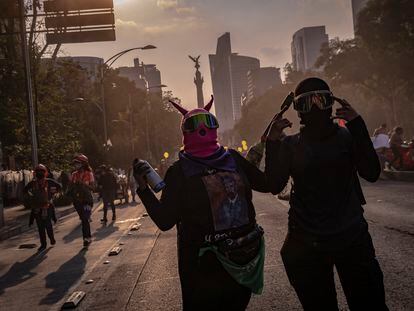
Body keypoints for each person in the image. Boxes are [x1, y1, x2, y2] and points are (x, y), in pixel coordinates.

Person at [133, 96, 269, 310]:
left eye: (209, 120)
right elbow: (267, 183)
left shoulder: (182, 170)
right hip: (233, 263)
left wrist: (143, 189)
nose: (203, 128)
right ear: (185, 131)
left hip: (216, 267)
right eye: (194, 123)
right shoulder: (227, 159)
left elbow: (165, 220)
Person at [265, 77, 388, 311]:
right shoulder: (292, 145)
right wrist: (272, 142)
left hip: (325, 239)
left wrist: (358, 125)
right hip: (330, 240)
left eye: (320, 101)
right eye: (305, 104)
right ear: (298, 109)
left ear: (331, 103)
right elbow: (274, 184)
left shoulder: (347, 137)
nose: (313, 109)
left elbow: (371, 172)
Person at [24, 164, 61, 252]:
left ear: (45, 173)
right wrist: (31, 196)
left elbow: (59, 187)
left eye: (42, 171)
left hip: (47, 207)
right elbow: (25, 190)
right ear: (35, 173)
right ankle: (43, 244)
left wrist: (53, 194)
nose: (39, 173)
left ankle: (51, 238)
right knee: (40, 227)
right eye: (38, 171)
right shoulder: (32, 183)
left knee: (48, 225)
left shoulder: (49, 182)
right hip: (37, 208)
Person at [67, 154, 95, 247]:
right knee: (83, 219)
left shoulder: (89, 174)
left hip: (87, 200)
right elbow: (70, 187)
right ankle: (87, 237)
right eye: (75, 164)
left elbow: (93, 187)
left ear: (83, 164)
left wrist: (84, 184)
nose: (75, 165)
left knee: (84, 219)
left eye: (77, 163)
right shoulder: (74, 175)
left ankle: (86, 238)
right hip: (77, 201)